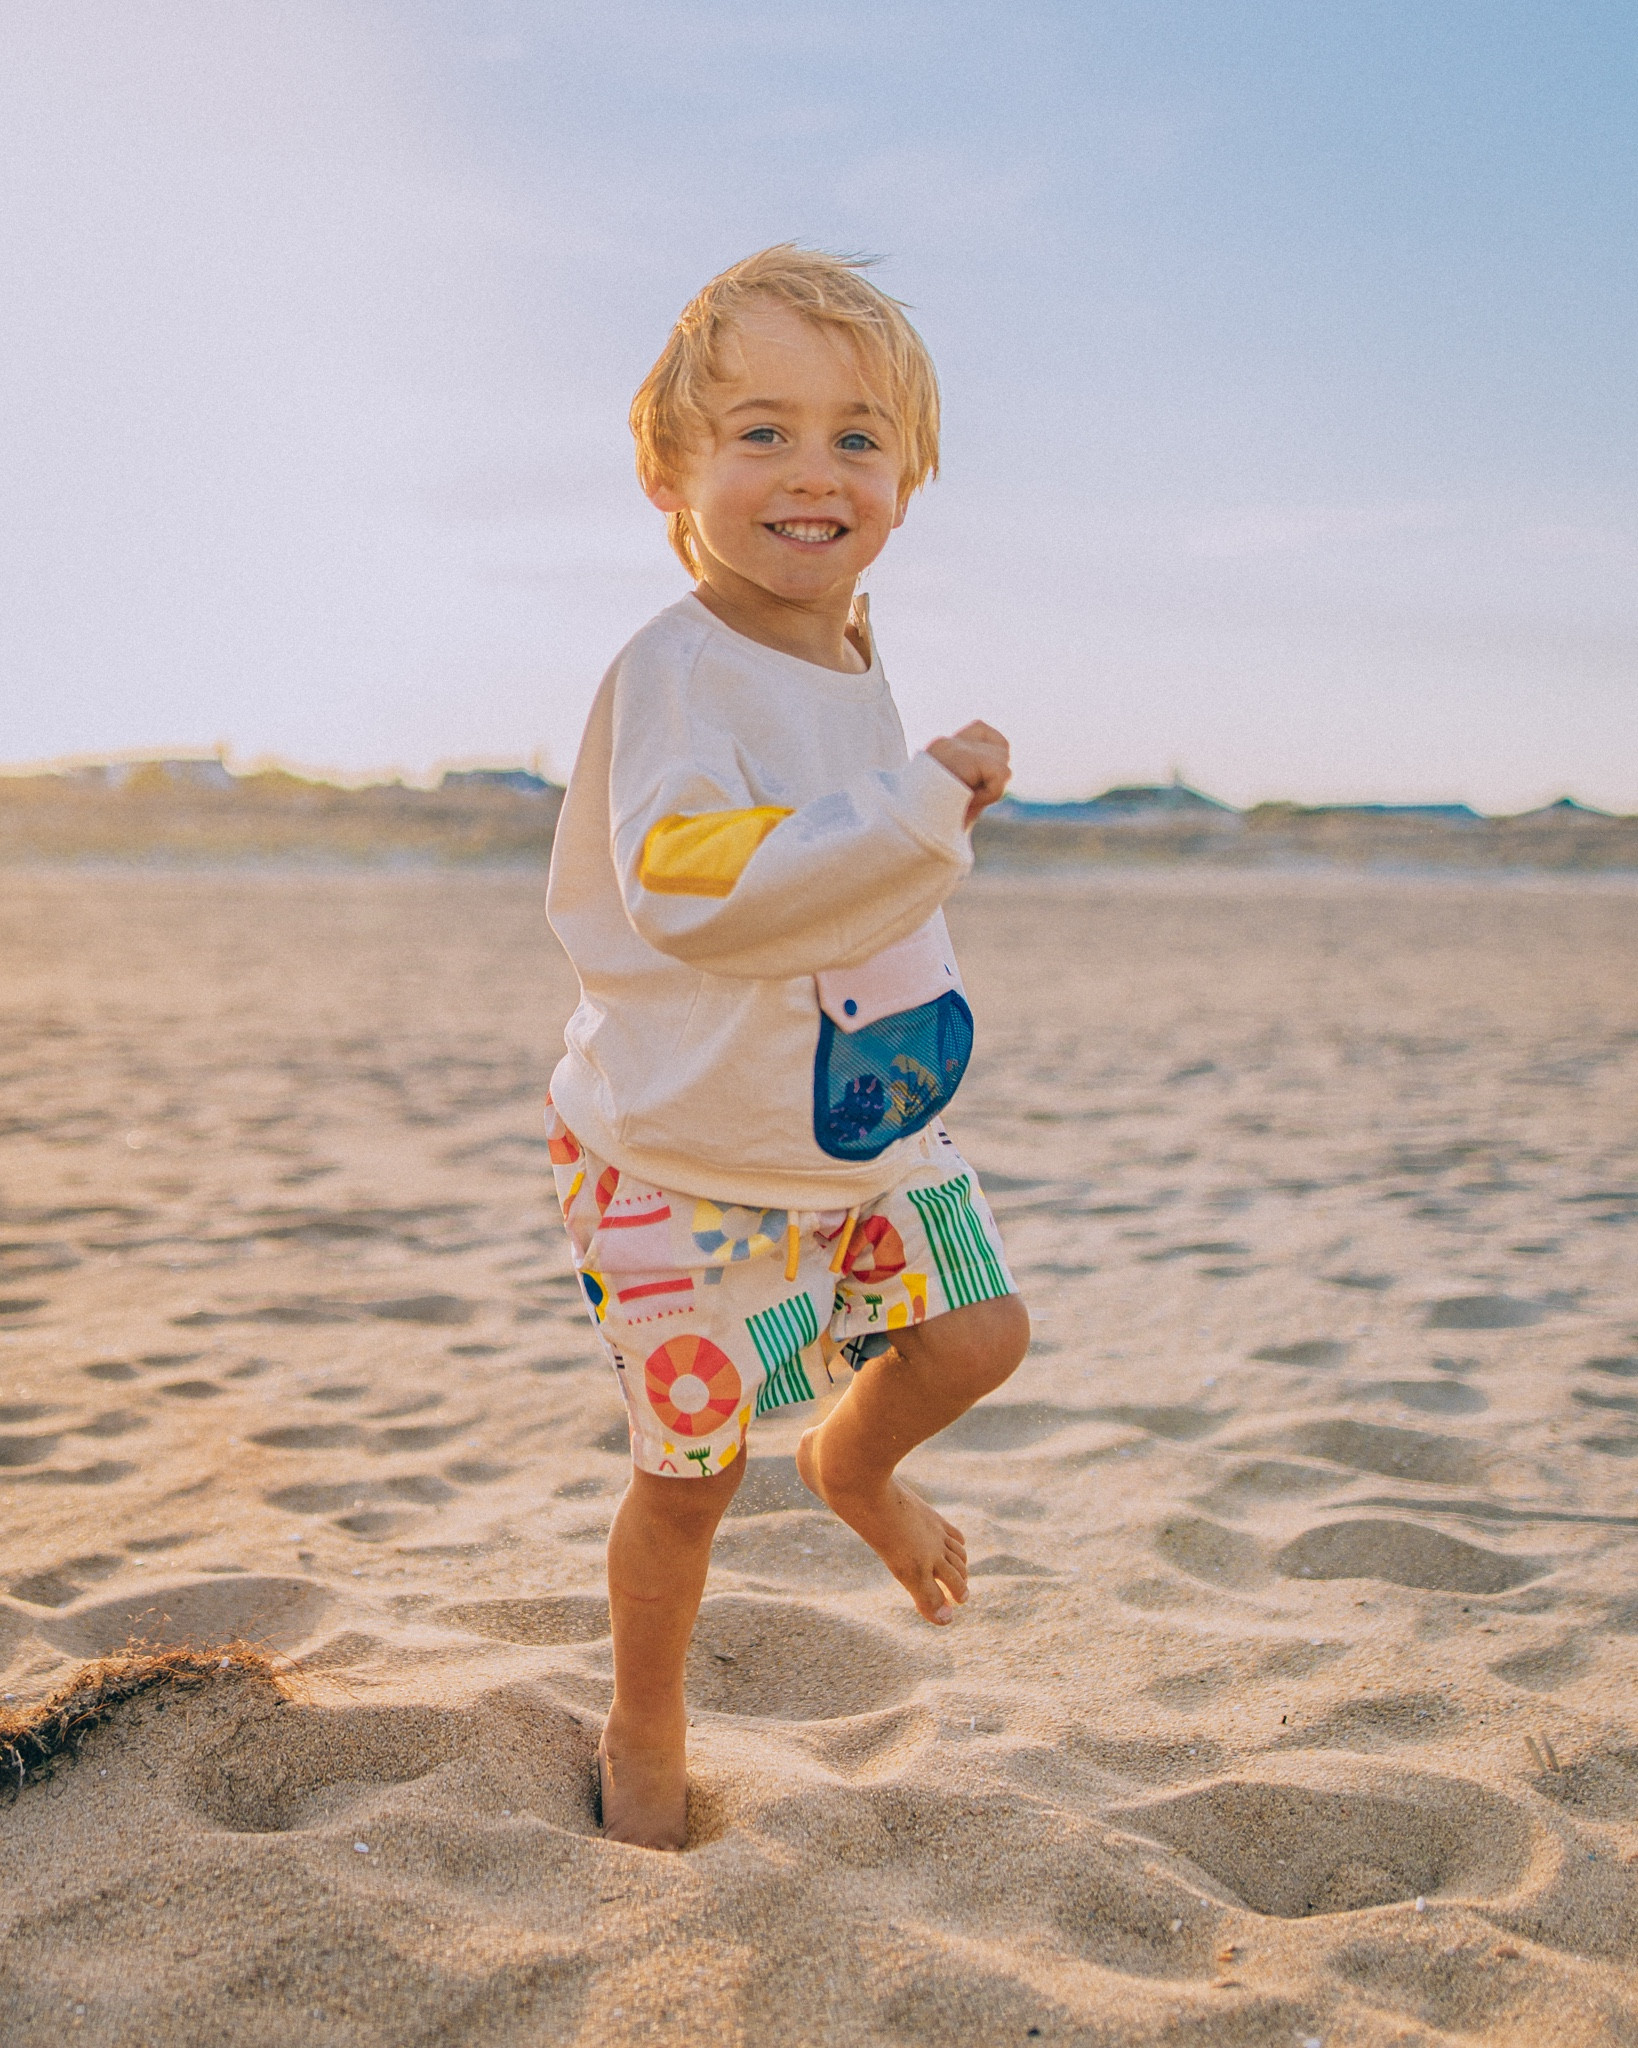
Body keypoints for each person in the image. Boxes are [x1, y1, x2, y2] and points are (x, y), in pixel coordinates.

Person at [545, 245, 1030, 1850]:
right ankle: (644, 1713)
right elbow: (693, 884)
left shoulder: (845, 640)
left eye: (856, 437)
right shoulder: (677, 671)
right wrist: (909, 810)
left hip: (851, 1119)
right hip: (675, 1149)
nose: (811, 474)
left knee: (973, 1339)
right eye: (757, 433)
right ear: (667, 472)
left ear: (910, 473)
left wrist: (920, 806)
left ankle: (855, 1469)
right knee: (687, 1481)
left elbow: (854, 853)